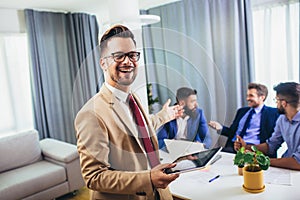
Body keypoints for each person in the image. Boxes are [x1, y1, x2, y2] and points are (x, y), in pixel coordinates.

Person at [75, 25, 184, 200]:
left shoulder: (133, 98)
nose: (128, 61)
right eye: (118, 56)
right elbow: (94, 177)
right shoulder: (91, 114)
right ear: (103, 63)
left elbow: (140, 129)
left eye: (132, 55)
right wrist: (148, 179)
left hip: (158, 194)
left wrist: (166, 115)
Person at [234, 82, 300, 171]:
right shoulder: (282, 119)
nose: (276, 104)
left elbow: (297, 163)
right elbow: (271, 146)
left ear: (283, 103)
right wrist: (247, 147)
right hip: (286, 168)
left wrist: (261, 161)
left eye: (277, 100)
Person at [209, 83, 279, 155]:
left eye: (251, 96)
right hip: (233, 148)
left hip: (255, 150)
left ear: (262, 97)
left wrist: (249, 147)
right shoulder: (241, 111)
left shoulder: (273, 113)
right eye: (247, 95)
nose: (247, 98)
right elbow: (232, 132)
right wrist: (221, 128)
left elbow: (274, 139)